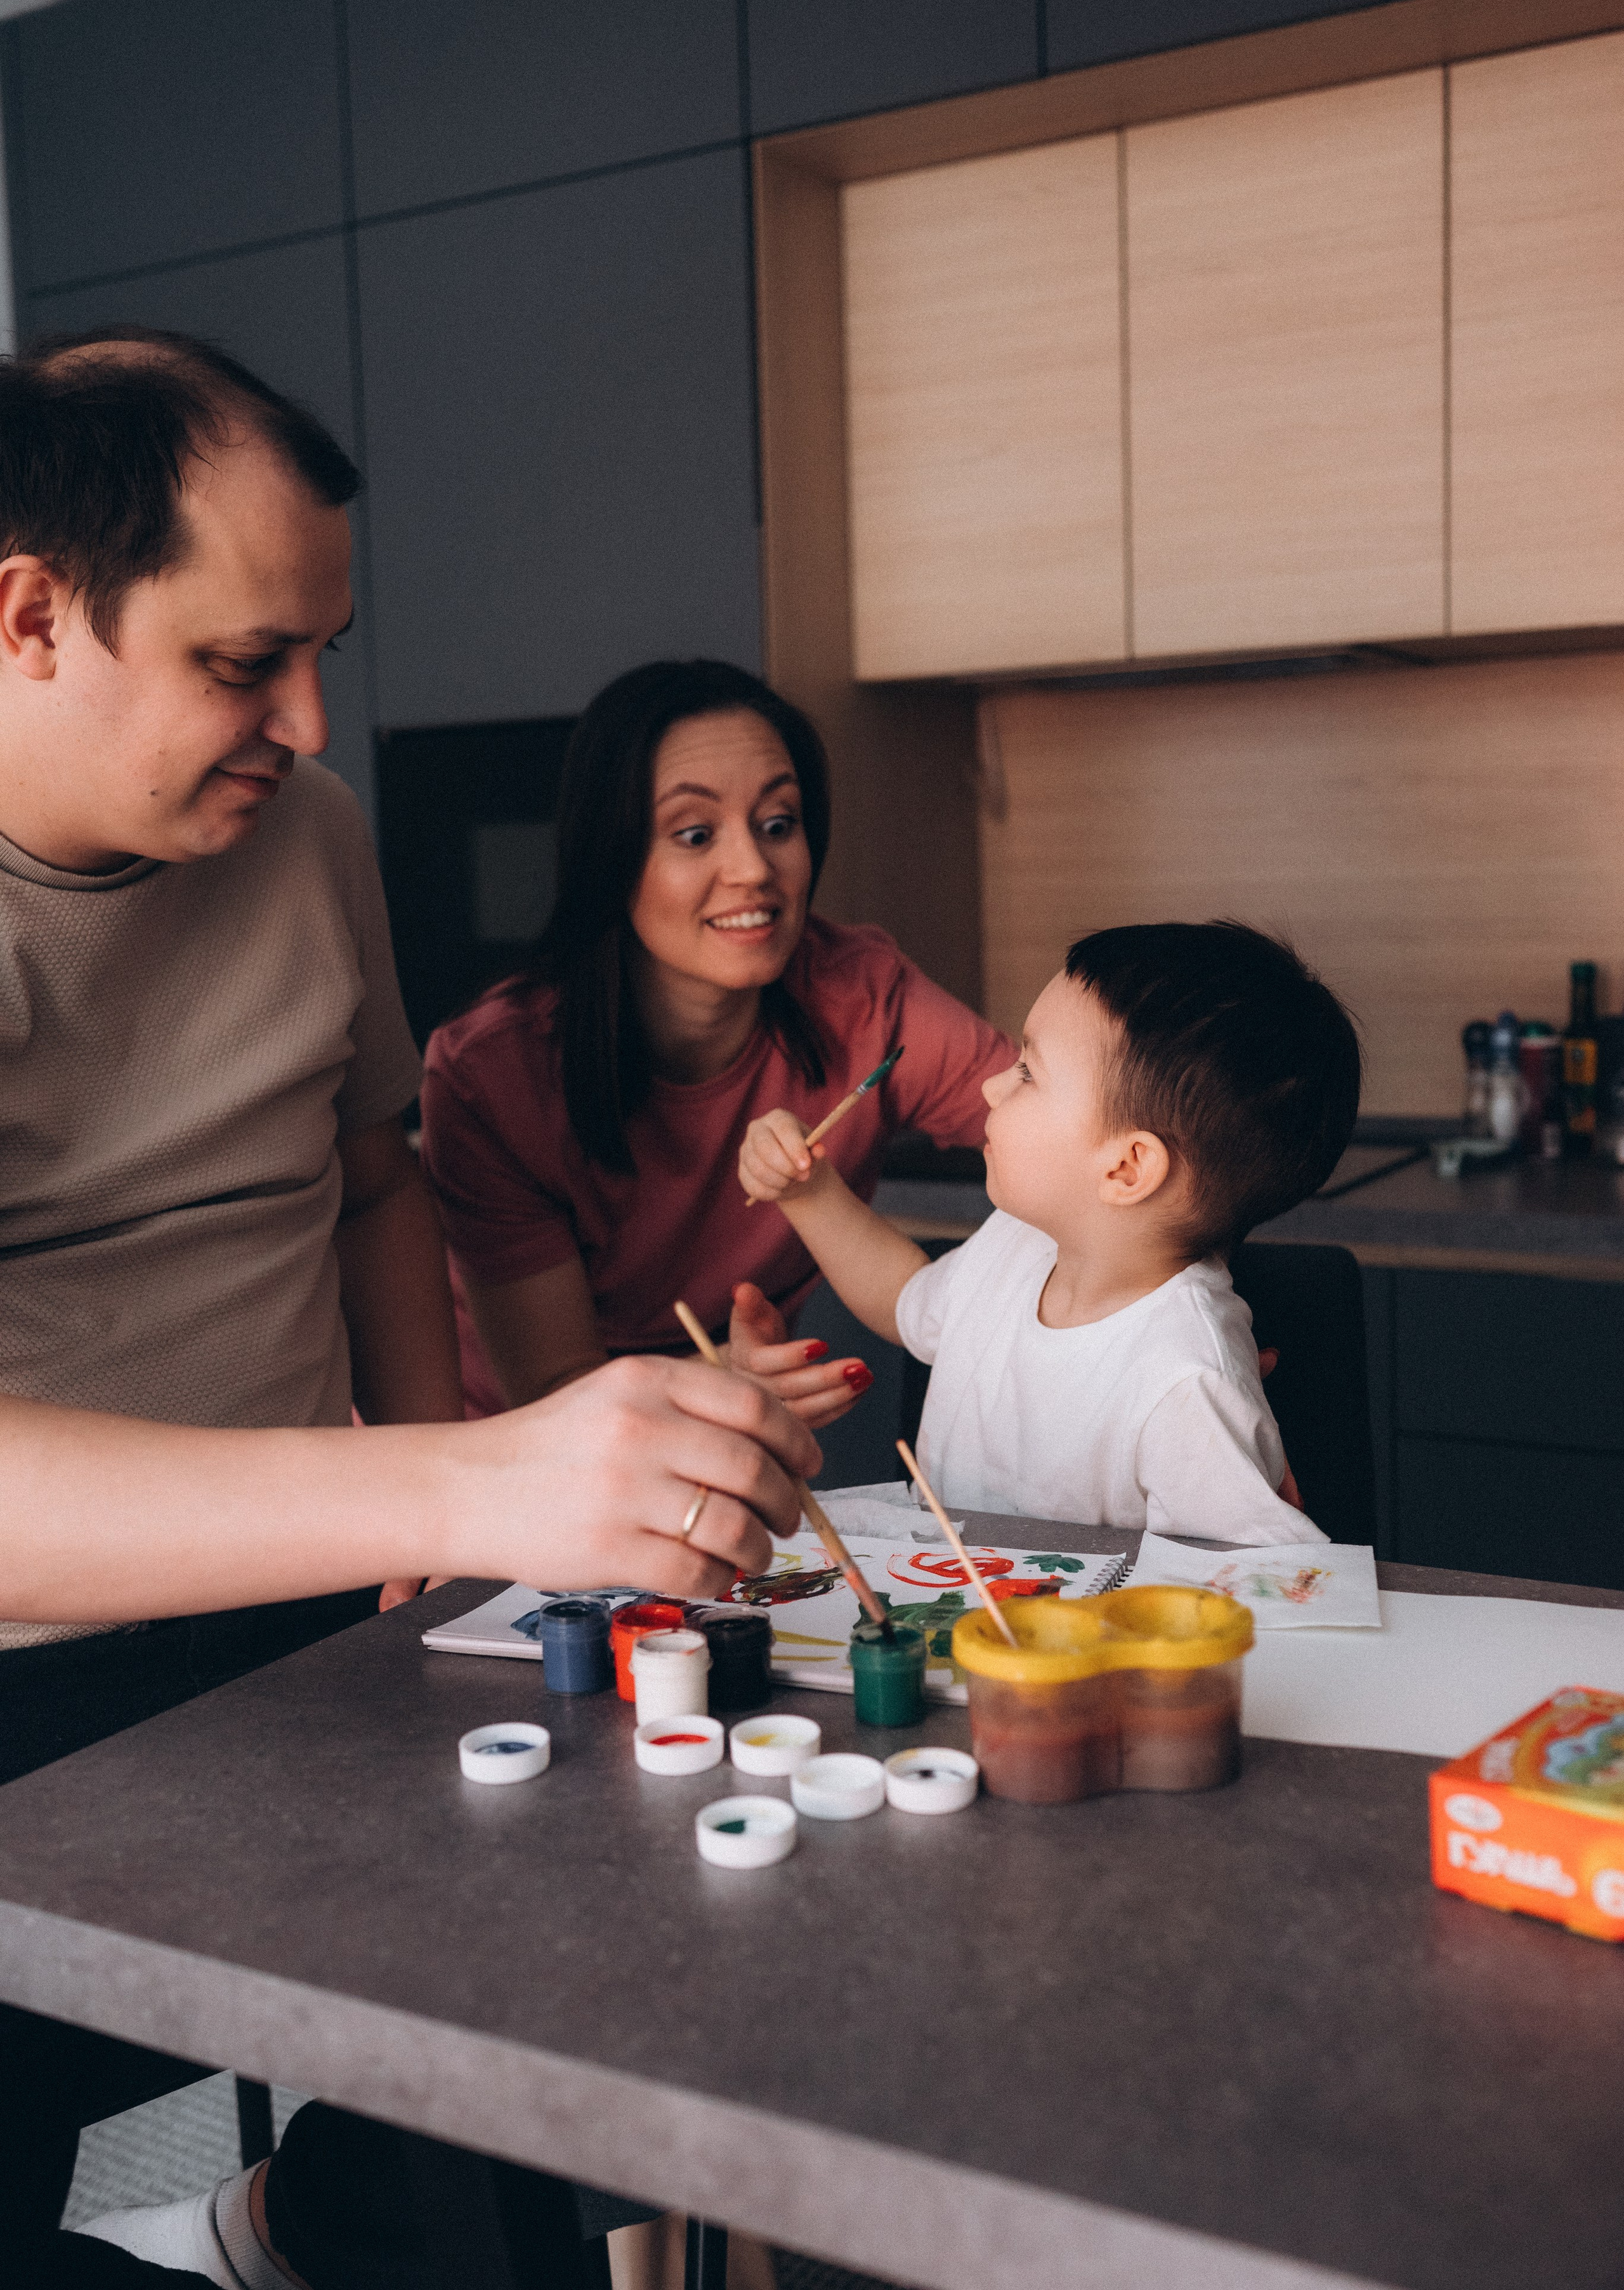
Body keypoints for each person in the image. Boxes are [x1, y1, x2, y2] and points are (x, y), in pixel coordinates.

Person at [0, 329, 815, 2290]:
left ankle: (308, 2219)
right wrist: (454, 1490)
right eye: (241, 662)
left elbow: (369, 1171)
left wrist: (413, 1536)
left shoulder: (311, 834)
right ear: (28, 615)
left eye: (320, 656)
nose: (304, 717)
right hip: (28, 1691)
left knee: (520, 2096)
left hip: (314, 1628)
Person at [419, 658, 1014, 1426]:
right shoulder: (490, 1075)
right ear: (611, 857)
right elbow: (554, 1390)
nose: (753, 869)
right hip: (506, 1460)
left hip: (732, 1433)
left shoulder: (865, 996)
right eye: (695, 835)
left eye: (778, 825)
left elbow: (1074, 1133)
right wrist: (713, 1379)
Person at [738, 920, 1362, 1541]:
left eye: (1028, 1072)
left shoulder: (1187, 1380)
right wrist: (808, 1192)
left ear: (1125, 1167)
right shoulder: (1018, 1242)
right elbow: (908, 1300)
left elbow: (1256, 1589)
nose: (990, 1085)